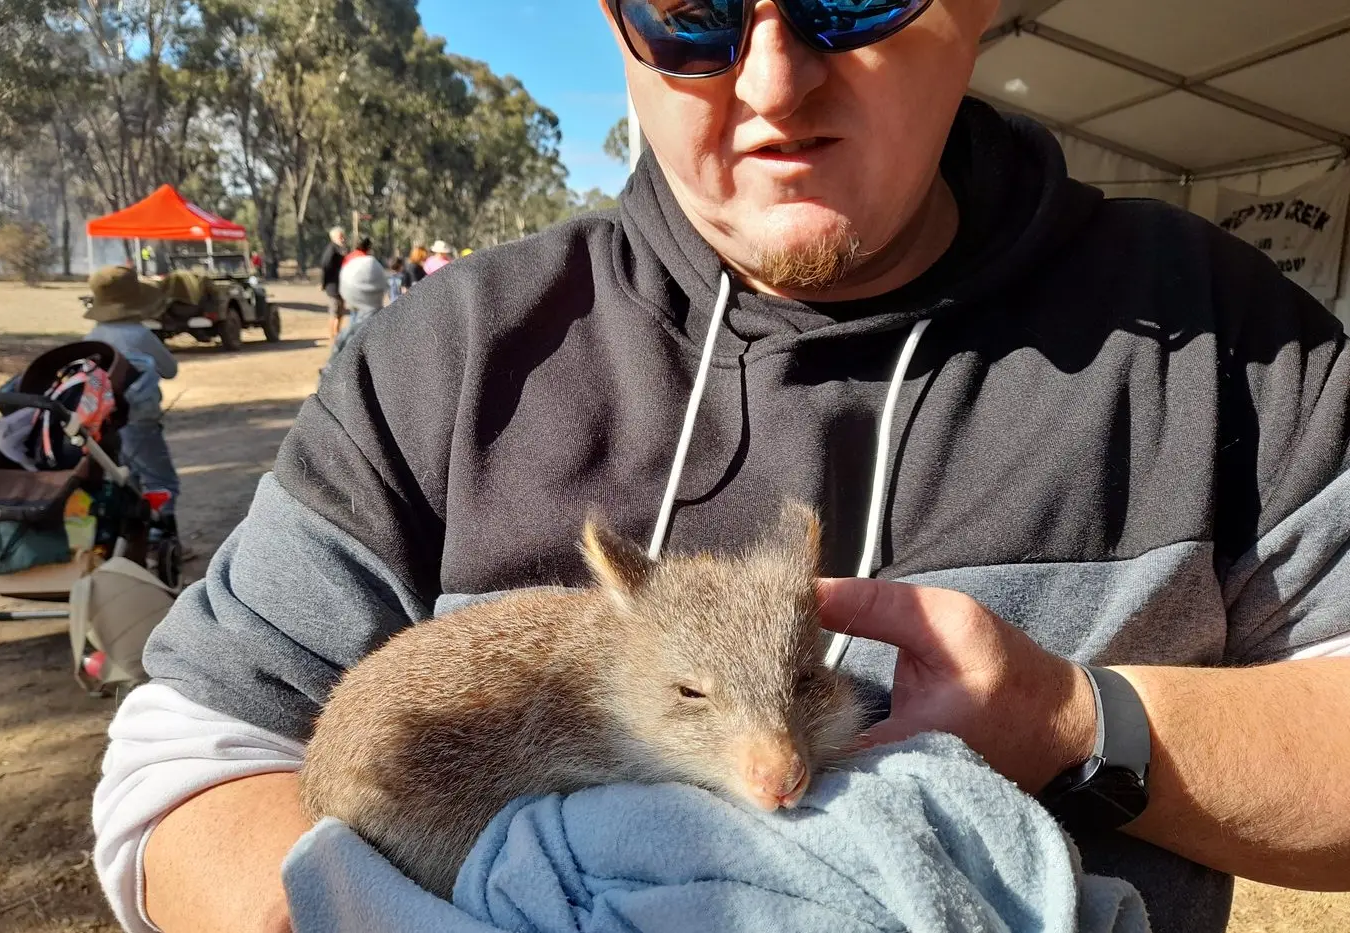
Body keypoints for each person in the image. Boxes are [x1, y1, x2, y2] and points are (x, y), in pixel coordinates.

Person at [94, 2, 1350, 933]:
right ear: (611, 22)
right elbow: (187, 769)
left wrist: (1075, 726)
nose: (773, 82)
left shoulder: (1226, 334)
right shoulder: (443, 354)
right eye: (689, 12)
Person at [80, 265, 180, 525]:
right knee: (161, 480)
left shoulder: (92, 337)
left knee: (124, 478)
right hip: (139, 420)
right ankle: (162, 531)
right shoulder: (140, 334)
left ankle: (133, 533)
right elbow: (170, 370)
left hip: (103, 423)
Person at [317, 226, 347, 343]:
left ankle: (337, 333)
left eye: (343, 237)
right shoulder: (331, 250)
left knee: (341, 311)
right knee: (335, 311)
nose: (343, 239)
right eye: (340, 237)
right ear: (334, 238)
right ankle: (333, 335)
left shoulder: (339, 250)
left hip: (341, 286)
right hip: (333, 286)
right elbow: (325, 266)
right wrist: (324, 283)